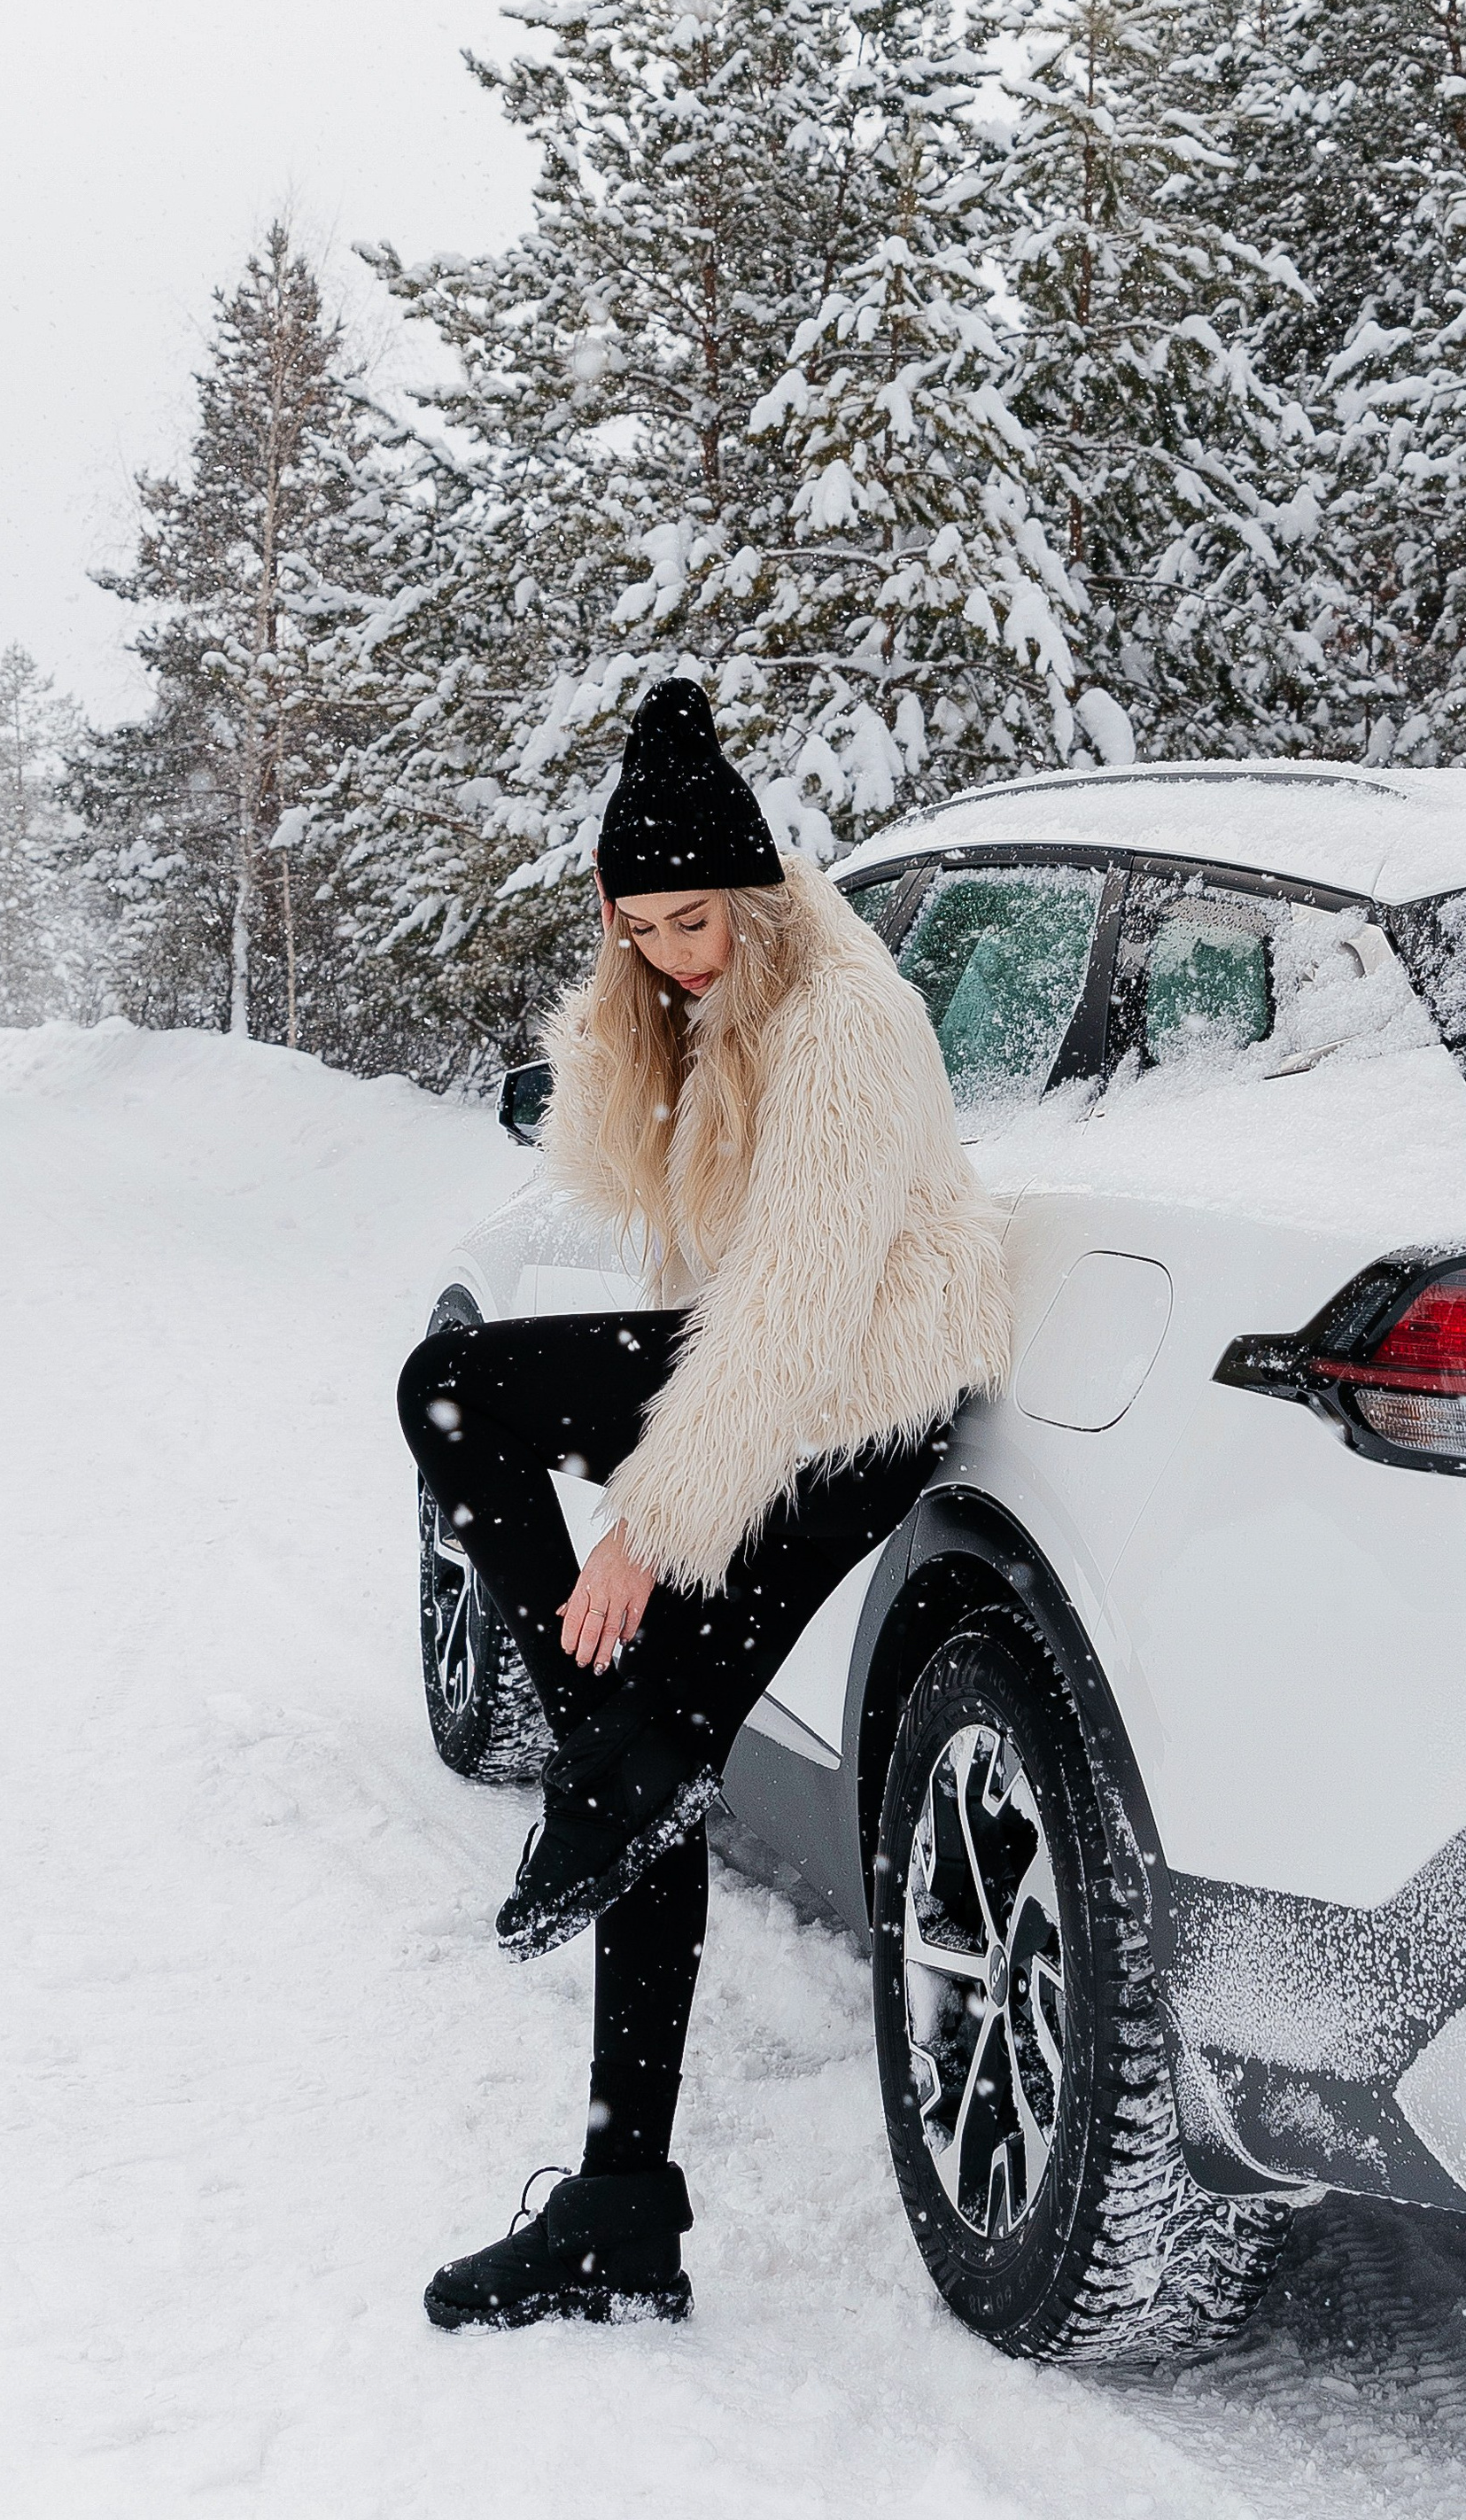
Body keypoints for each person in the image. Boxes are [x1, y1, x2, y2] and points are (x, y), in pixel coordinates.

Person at [396, 679, 1009, 2331]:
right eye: (643, 927)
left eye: (701, 923)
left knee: (637, 1725)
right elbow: (636, 1207)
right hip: (759, 1375)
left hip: (860, 1402)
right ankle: (619, 2204)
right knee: (454, 1403)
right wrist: (630, 1035)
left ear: (754, 896)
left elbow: (795, 1321)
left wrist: (645, 1528)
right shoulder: (687, 1010)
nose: (679, 954)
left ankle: (617, 2190)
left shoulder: (841, 1021)